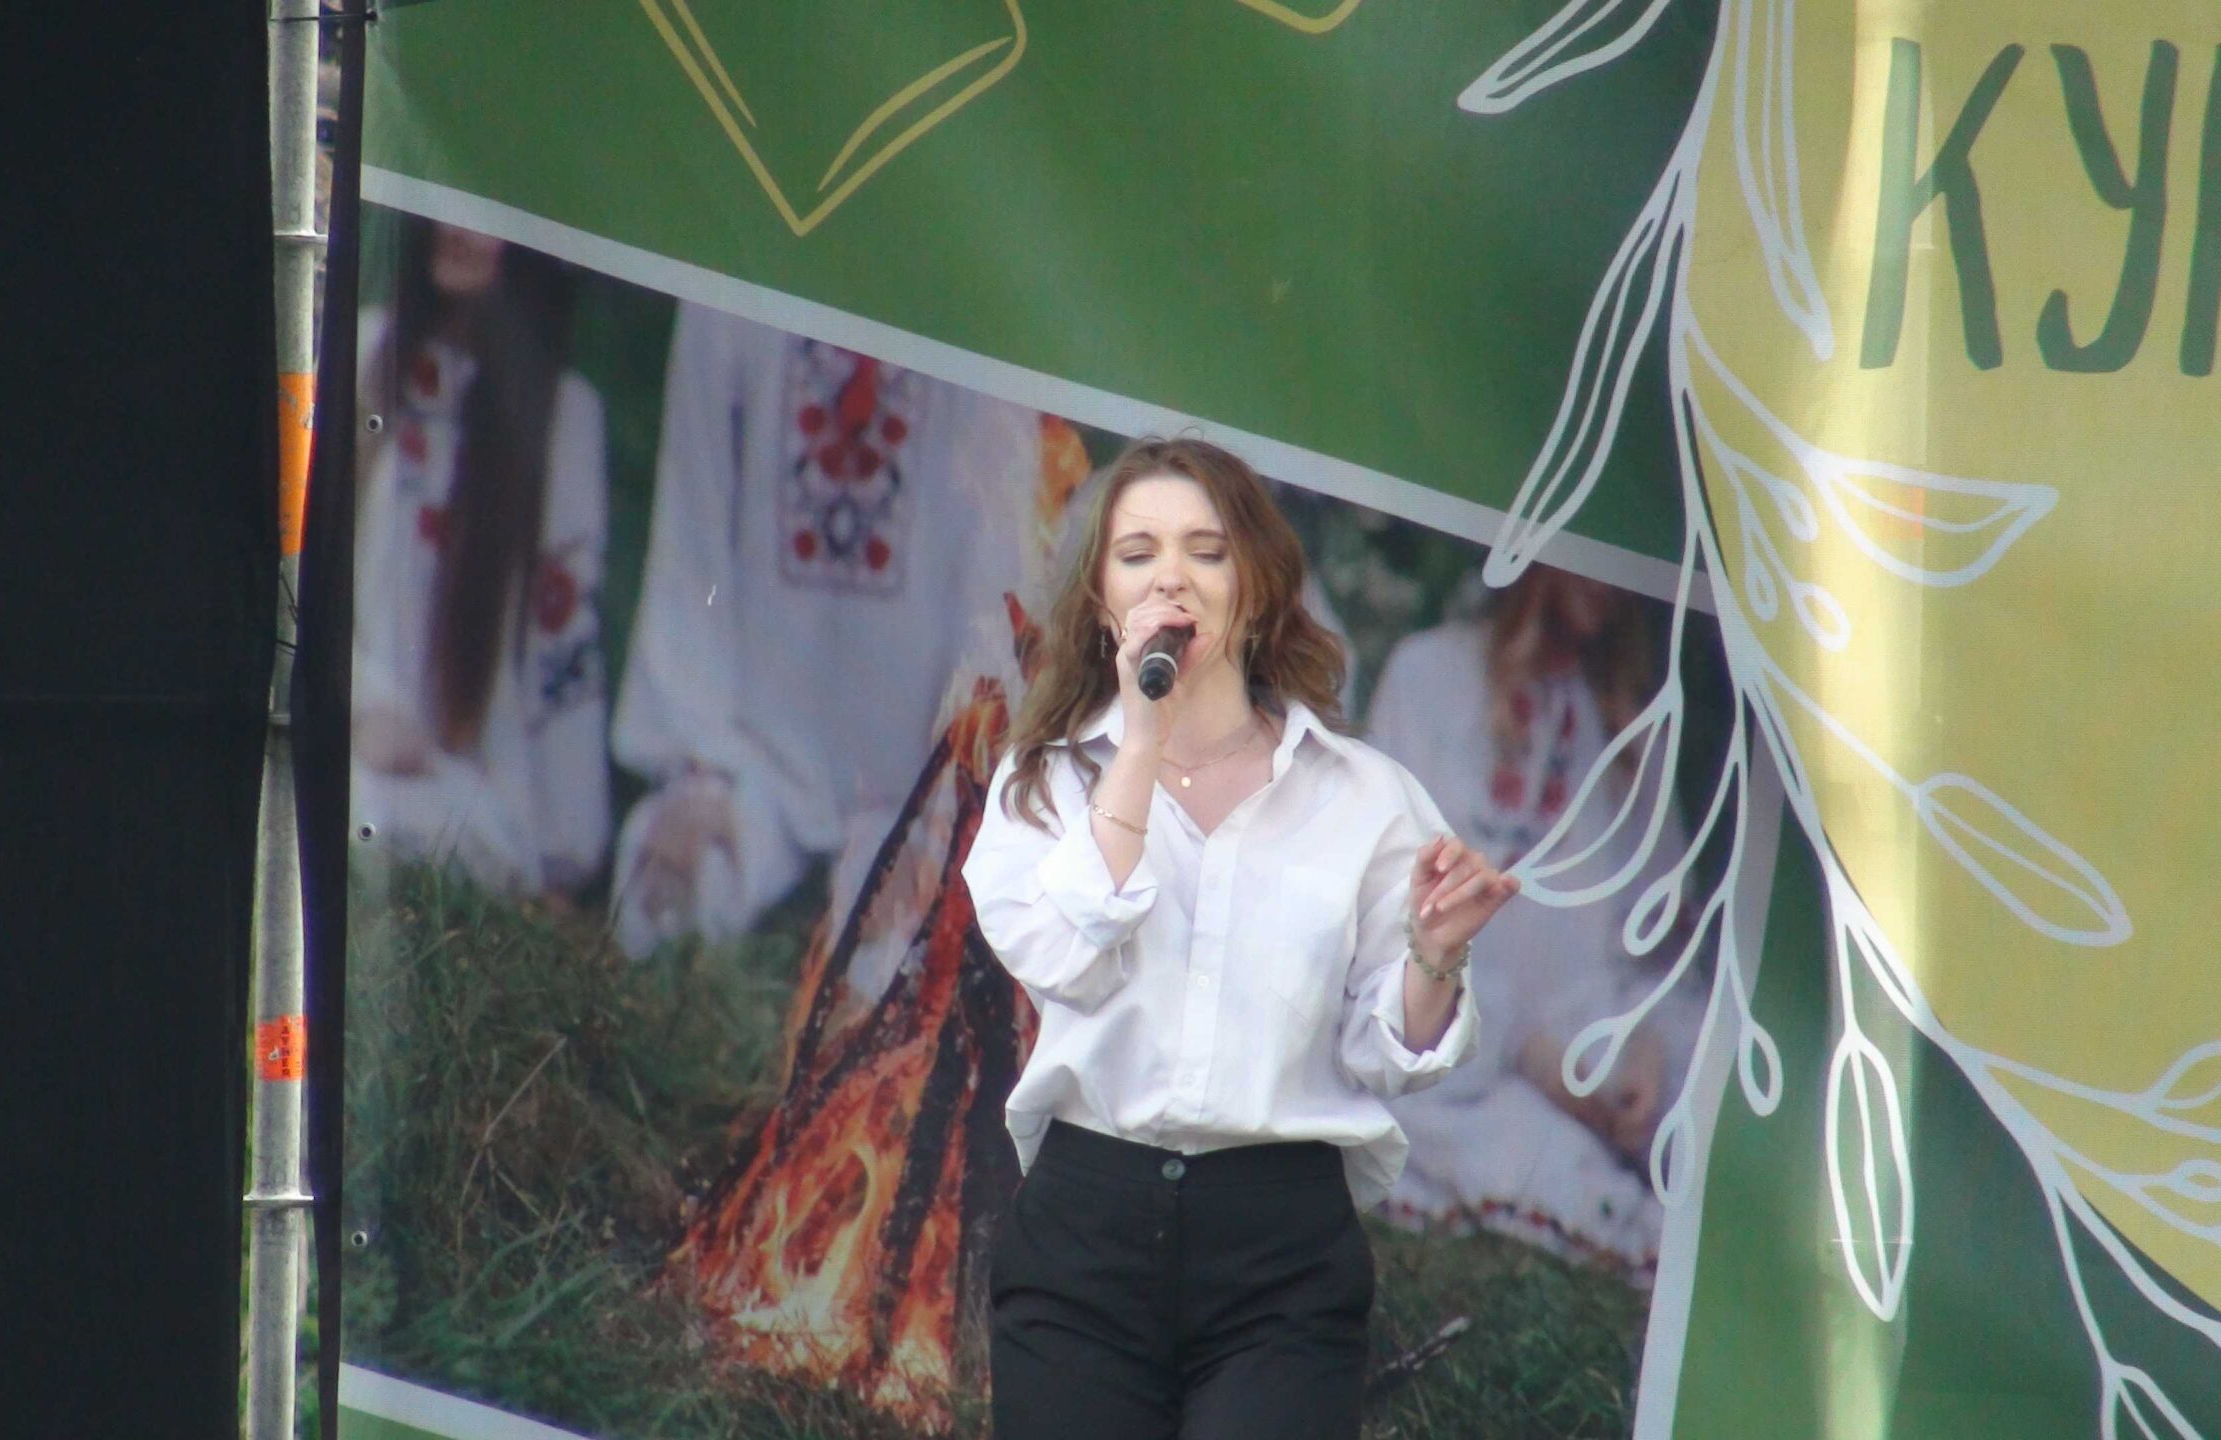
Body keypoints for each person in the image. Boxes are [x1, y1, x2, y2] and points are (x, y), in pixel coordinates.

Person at [960, 437, 1520, 1439]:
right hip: (1087, 1230)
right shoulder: (1043, 781)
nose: (1169, 576)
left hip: (1280, 1250)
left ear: (1255, 588)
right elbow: (1065, 960)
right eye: (1137, 553)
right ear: (1101, 601)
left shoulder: (1364, 797)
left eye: (1205, 550)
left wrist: (1435, 955)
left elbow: (1386, 1052)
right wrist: (1139, 739)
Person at [610, 301, 1042, 957]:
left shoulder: (982, 302)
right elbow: (692, 530)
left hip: (910, 776)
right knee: (656, 902)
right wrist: (698, 771)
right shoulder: (740, 280)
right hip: (755, 762)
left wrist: (949, 805)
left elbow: (994, 579)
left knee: (899, 974)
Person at [1365, 564, 1705, 1265]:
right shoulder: (1427, 677)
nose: (1604, 583)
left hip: (1600, 1041)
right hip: (1467, 1060)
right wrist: (1532, 1054)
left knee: (1711, 1089)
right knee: (1500, 1142)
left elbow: (1661, 952)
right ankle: (1616, 1212)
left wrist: (1645, 1045)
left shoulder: (1628, 727)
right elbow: (1390, 925)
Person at [349, 218, 611, 899]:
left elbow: (562, 653)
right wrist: (361, 704)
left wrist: (566, 852)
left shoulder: (564, 417)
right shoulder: (362, 355)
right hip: (344, 741)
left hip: (471, 798)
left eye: (491, 218)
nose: (459, 230)